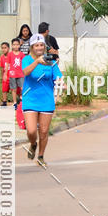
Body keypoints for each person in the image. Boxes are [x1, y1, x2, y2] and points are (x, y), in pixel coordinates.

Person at [21, 33, 63, 168]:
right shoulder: (27, 59)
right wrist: (37, 61)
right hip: (30, 99)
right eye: (37, 45)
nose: (39, 47)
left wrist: (61, 83)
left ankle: (40, 156)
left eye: (41, 45)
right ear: (32, 47)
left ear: (44, 46)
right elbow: (25, 72)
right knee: (32, 131)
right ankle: (33, 144)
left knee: (44, 131)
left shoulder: (51, 62)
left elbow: (58, 77)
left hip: (46, 100)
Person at [7, 37, 25, 108]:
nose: (16, 46)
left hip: (20, 74)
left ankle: (22, 99)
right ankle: (14, 102)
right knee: (13, 89)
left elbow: (24, 64)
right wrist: (5, 74)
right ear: (12, 45)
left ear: (19, 45)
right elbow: (7, 64)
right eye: (14, 44)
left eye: (17, 44)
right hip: (12, 74)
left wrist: (25, 72)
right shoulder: (10, 54)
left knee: (22, 88)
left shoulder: (21, 54)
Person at [0, 41, 10, 106]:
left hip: (12, 75)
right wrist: (2, 76)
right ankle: (4, 101)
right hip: (5, 75)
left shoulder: (11, 55)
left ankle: (19, 101)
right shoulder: (2, 57)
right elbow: (2, 67)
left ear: (8, 48)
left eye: (5, 48)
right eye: (2, 48)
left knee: (15, 89)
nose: (3, 49)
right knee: (4, 89)